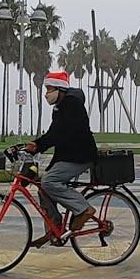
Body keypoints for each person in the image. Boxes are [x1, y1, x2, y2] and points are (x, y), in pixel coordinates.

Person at [25, 71, 98, 248]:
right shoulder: (60, 107)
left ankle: (83, 209)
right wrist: (37, 144)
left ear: (60, 89)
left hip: (80, 156)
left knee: (49, 181)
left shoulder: (71, 104)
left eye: (49, 89)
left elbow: (62, 133)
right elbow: (54, 133)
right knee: (43, 187)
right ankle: (55, 228)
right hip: (68, 155)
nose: (46, 93)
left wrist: (39, 144)